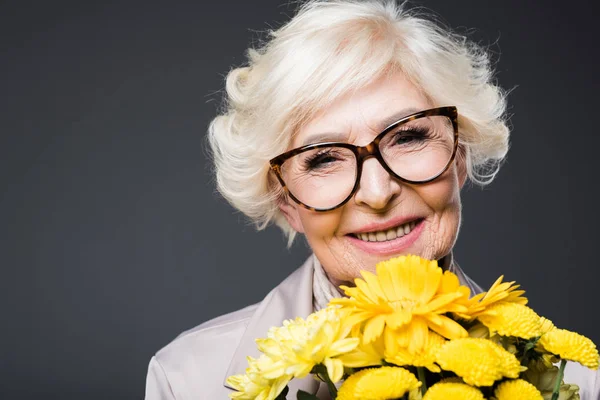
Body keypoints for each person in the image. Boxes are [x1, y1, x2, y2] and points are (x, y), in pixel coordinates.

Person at [144, 1, 599, 398]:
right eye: (323, 159)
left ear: (460, 155)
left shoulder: (577, 382)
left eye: (409, 137)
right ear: (287, 202)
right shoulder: (186, 381)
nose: (379, 193)